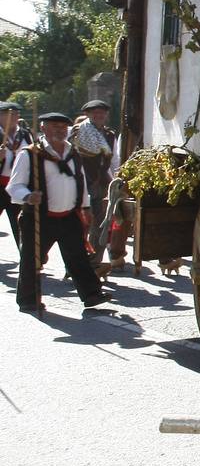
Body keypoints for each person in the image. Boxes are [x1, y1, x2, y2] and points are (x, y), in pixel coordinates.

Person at [6, 112, 110, 313]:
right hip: (38, 218)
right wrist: (28, 196)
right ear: (43, 128)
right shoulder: (30, 154)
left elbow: (82, 184)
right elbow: (14, 186)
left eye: (63, 127)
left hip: (69, 216)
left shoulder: (73, 154)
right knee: (31, 259)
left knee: (78, 257)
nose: (59, 130)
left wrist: (85, 208)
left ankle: (91, 294)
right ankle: (28, 300)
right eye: (54, 126)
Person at [73, 99, 120, 254]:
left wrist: (116, 179)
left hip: (99, 182)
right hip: (81, 181)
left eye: (101, 112)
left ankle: (95, 261)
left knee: (100, 222)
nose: (98, 115)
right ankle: (77, 258)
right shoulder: (78, 131)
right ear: (87, 114)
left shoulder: (110, 135)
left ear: (106, 115)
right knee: (80, 222)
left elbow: (113, 160)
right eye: (95, 113)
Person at [1, 101, 34, 244]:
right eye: (9, 114)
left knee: (20, 222)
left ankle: (25, 256)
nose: (14, 117)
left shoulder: (25, 134)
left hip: (18, 184)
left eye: (16, 114)